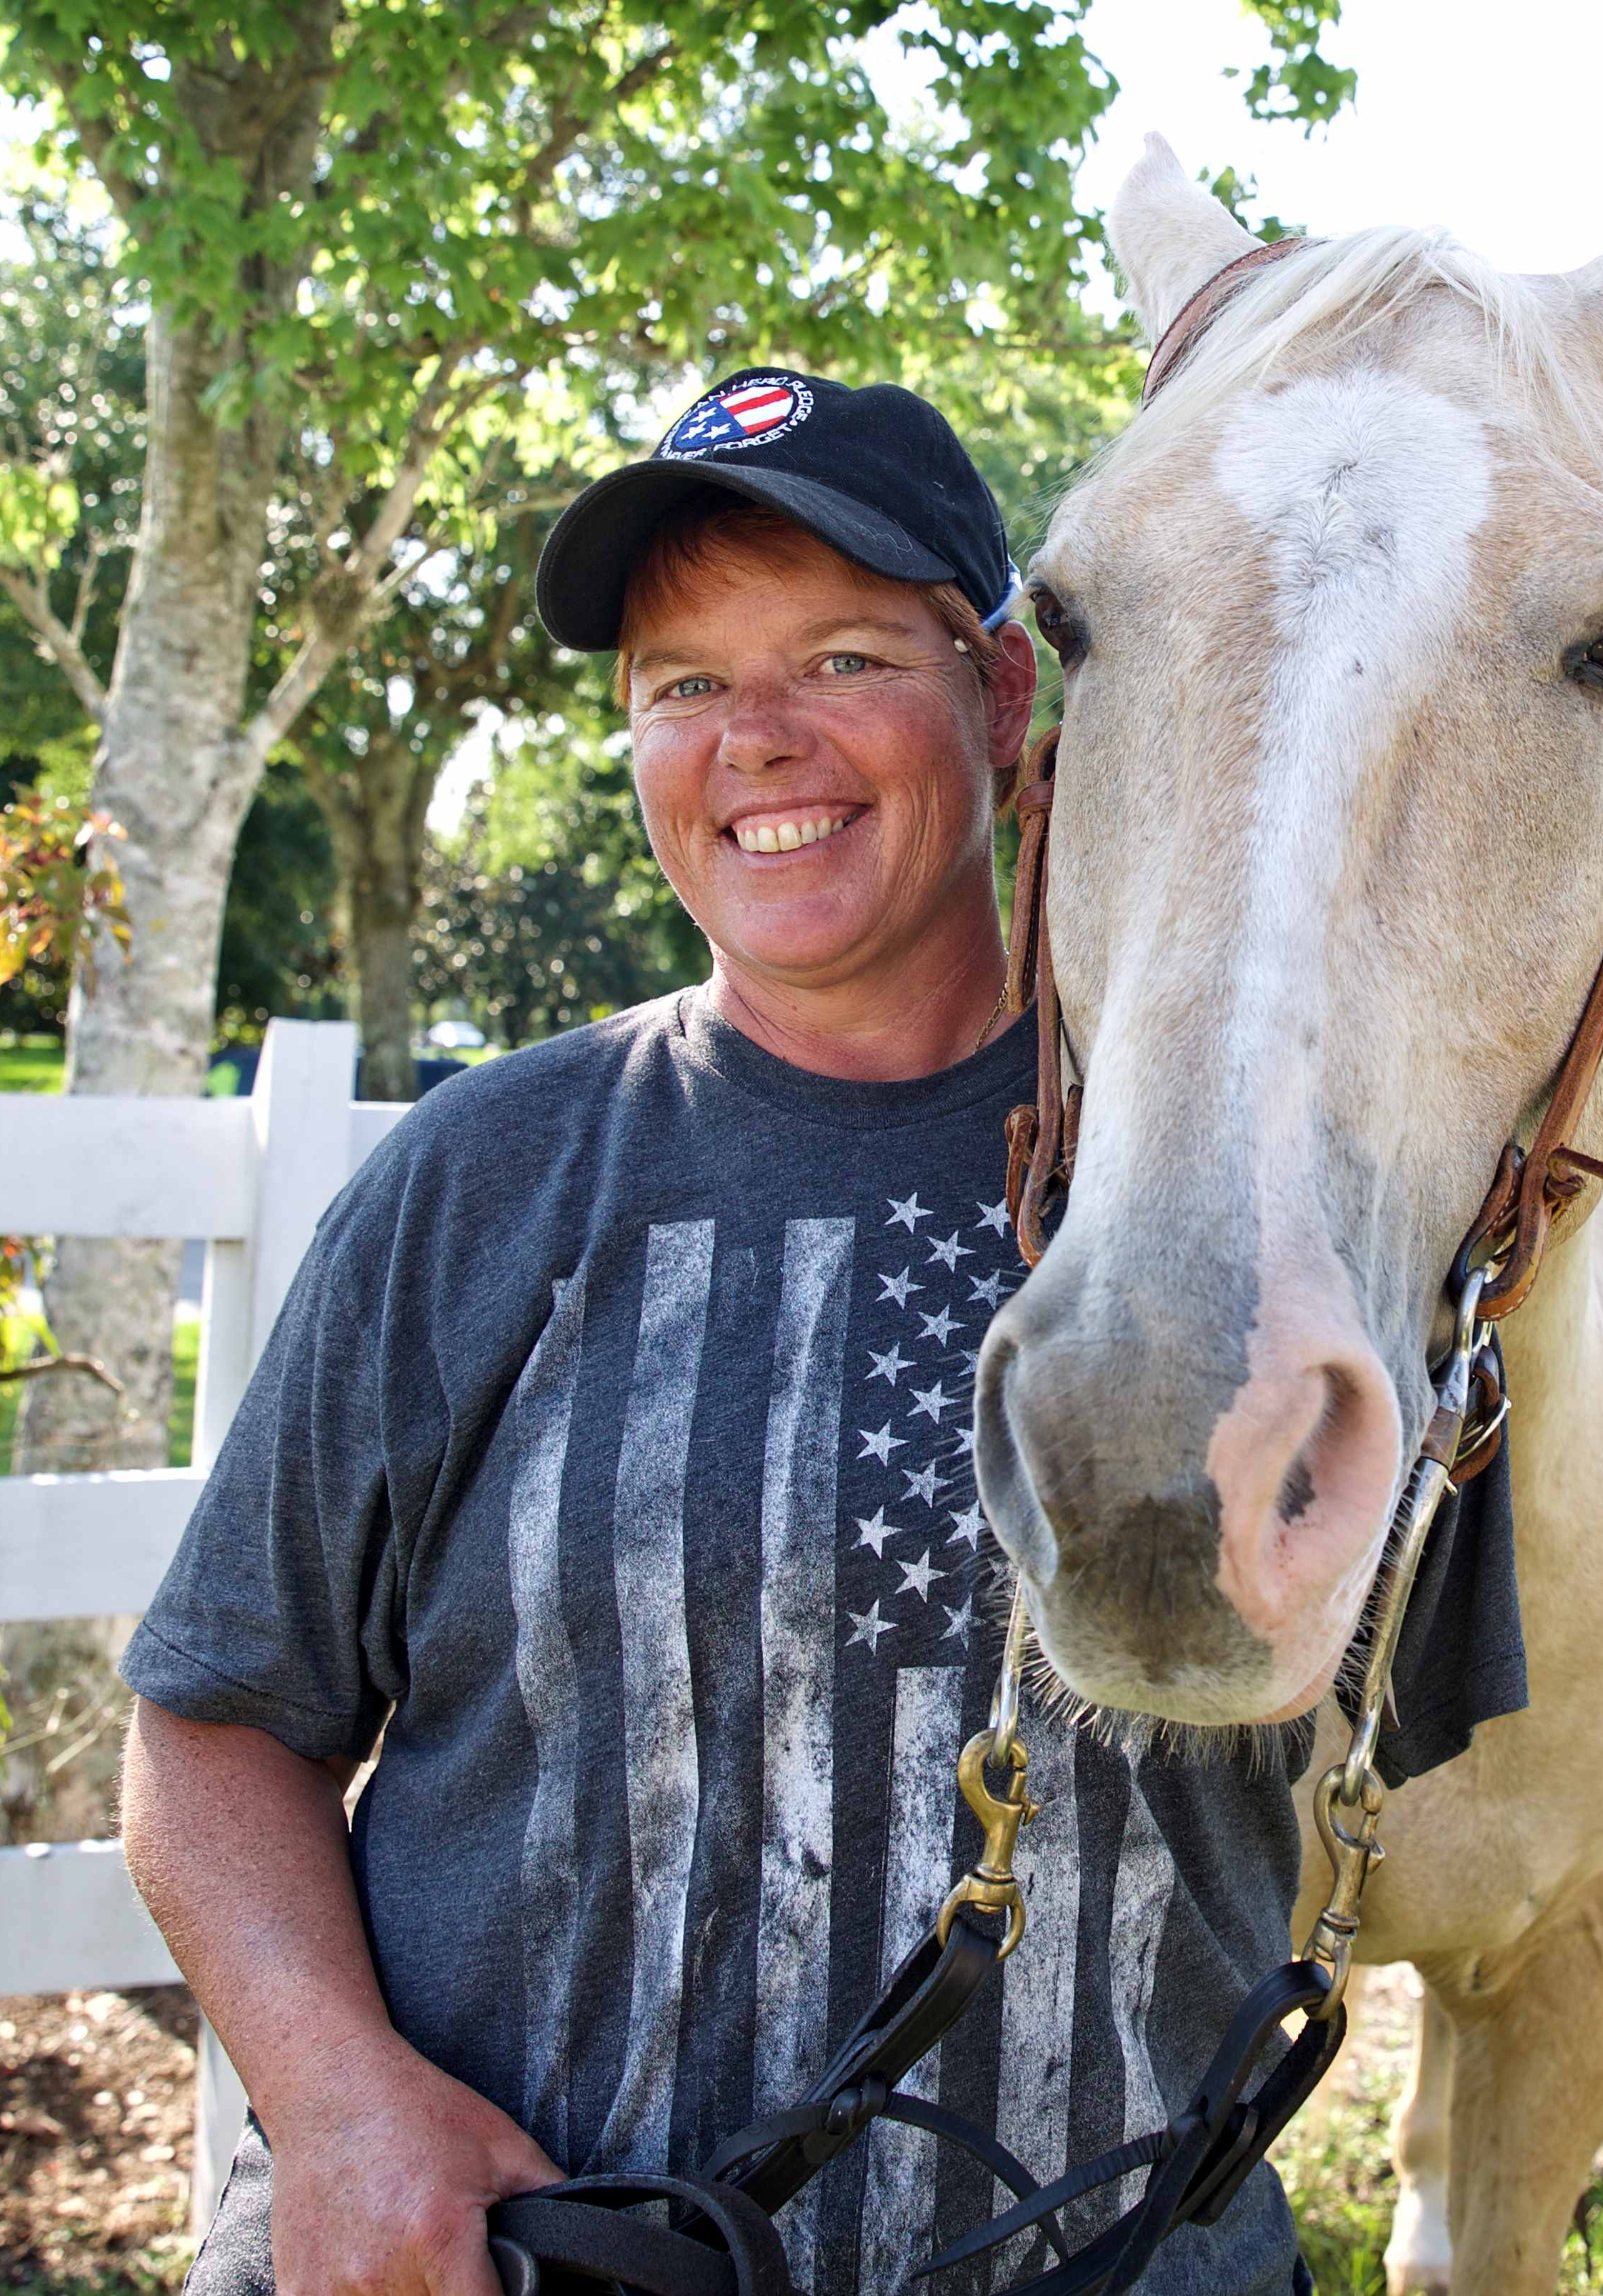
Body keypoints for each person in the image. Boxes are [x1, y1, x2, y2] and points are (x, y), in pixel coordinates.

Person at [117, 369, 1312, 2296]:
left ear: (1003, 703)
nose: (754, 741)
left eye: (840, 658)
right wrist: (339, 2113)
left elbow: (1458, 1781)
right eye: (681, 684)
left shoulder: (1250, 1224)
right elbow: (215, 1720)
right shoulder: (488, 1176)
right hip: (514, 2263)